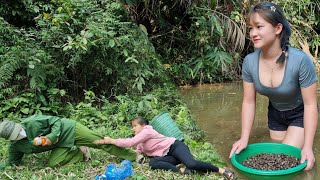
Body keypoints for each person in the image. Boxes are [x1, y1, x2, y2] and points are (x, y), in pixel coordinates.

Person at [229, 2, 318, 171]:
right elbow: (248, 102)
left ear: (278, 28)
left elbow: (310, 104)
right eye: (251, 28)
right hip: (275, 113)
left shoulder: (300, 61)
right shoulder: (249, 62)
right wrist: (244, 138)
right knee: (275, 150)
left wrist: (308, 146)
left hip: (299, 112)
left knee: (284, 158)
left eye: (259, 27)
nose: (253, 33)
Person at [96, 117, 236, 180]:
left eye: (135, 126)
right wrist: (132, 154)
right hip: (168, 156)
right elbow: (137, 149)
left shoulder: (147, 131)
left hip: (175, 146)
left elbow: (130, 142)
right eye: (132, 127)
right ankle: (181, 170)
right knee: (152, 163)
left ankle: (222, 170)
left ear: (143, 125)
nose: (133, 129)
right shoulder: (141, 140)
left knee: (192, 163)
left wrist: (112, 141)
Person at [0, 114, 136, 169]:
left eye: (18, 131)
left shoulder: (32, 122)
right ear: (10, 139)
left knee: (99, 142)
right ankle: (80, 152)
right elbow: (11, 163)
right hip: (60, 145)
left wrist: (52, 137)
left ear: (17, 125)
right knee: (53, 163)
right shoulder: (16, 146)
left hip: (68, 129)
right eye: (15, 136)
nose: (20, 135)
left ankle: (134, 155)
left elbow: (56, 120)